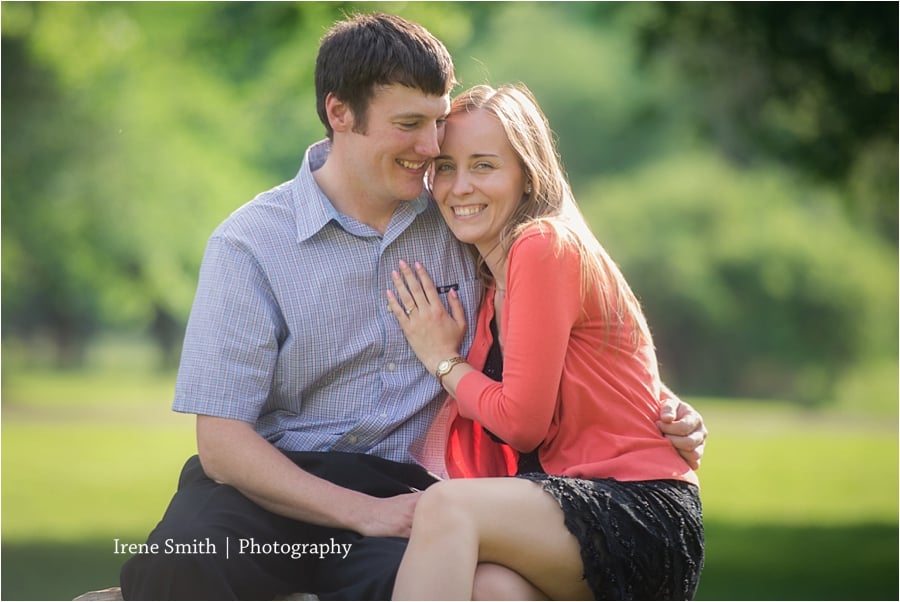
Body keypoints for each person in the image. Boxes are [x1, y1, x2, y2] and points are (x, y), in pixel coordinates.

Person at [120, 13, 707, 601]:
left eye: (437, 123)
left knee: (446, 582)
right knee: (183, 563)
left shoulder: (466, 221)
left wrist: (657, 407)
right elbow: (221, 444)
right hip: (273, 487)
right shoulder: (249, 244)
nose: (431, 150)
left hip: (408, 492)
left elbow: (564, 333)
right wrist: (359, 513)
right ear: (339, 113)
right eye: (409, 125)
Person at [386, 83, 704, 601]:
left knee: (447, 508)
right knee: (491, 589)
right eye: (445, 167)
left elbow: (521, 423)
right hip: (571, 511)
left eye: (483, 165)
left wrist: (442, 361)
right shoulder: (492, 283)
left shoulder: (543, 243)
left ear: (527, 175)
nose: (459, 186)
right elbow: (617, 376)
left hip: (637, 509)